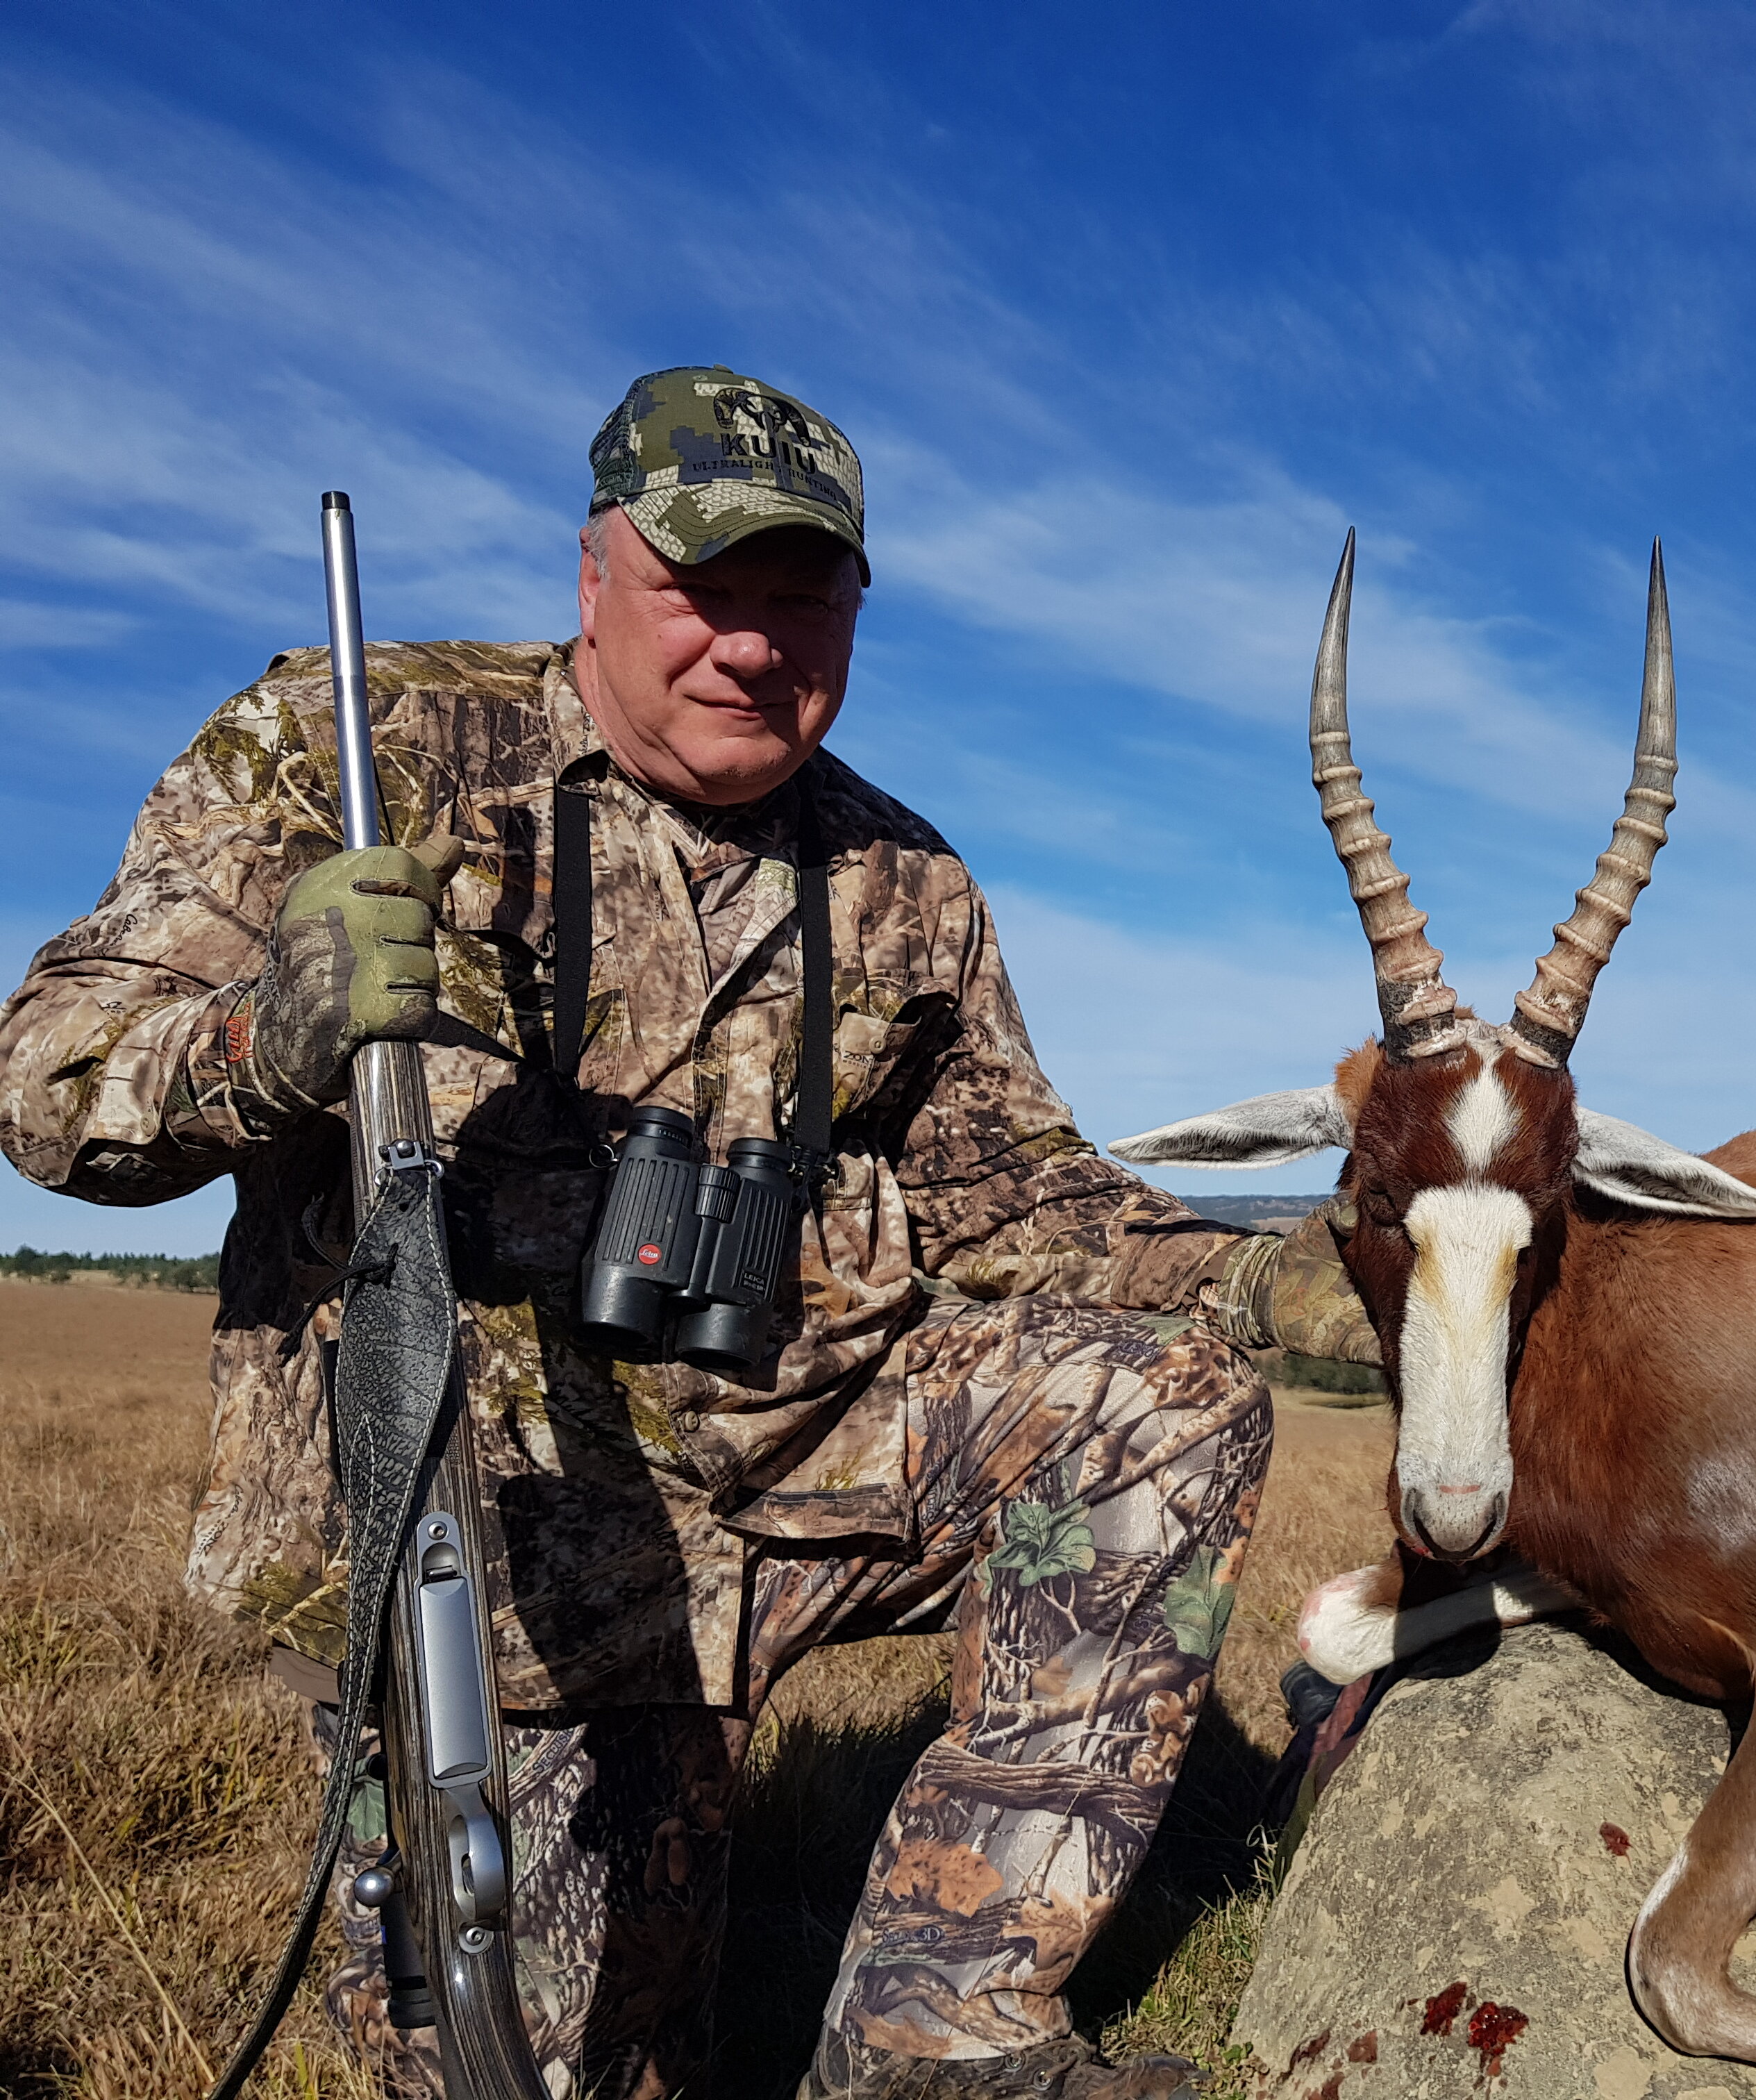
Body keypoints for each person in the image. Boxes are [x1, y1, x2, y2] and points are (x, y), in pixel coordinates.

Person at [0, 367, 1374, 2099]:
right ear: (596, 577)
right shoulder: (352, 743)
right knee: (577, 2058)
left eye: (802, 601)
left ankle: (940, 2044)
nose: (751, 645)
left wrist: (1269, 1277)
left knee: (1163, 1400)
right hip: (492, 1537)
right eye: (702, 591)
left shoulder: (907, 875)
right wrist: (260, 1040)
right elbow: (45, 1086)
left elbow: (1021, 1198)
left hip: (791, 1466)